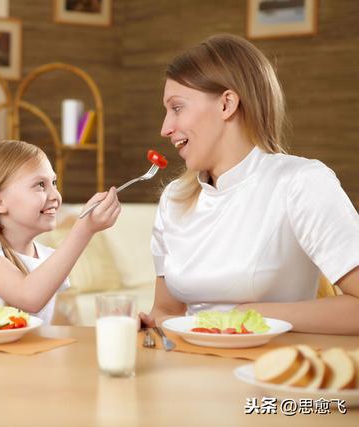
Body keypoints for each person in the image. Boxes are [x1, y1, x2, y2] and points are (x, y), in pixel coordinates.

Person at [140, 34, 359, 335]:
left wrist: (254, 316)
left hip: (267, 372)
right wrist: (147, 324)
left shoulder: (301, 182)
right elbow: (166, 312)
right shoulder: (174, 199)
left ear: (227, 104)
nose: (165, 128)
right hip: (185, 368)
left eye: (177, 108)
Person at [0, 140, 121, 324]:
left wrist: (113, 320)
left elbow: (49, 326)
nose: (55, 195)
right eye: (40, 184)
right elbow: (29, 297)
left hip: (23, 353)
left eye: (53, 182)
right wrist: (84, 229)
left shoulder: (47, 259)